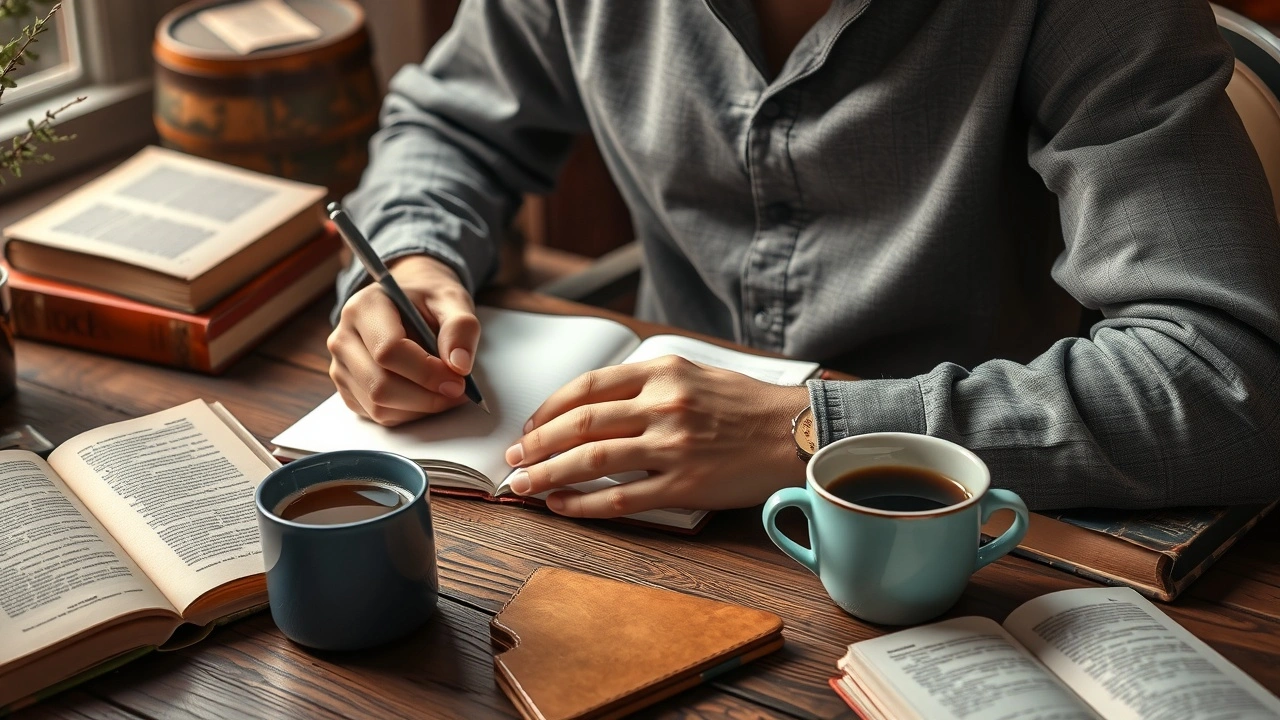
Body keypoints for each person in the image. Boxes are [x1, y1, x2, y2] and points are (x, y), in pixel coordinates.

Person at [326, 0, 1280, 519]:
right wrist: (409, 260)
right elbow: (448, 123)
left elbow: (1227, 383)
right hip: (629, 506)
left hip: (954, 526)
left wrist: (816, 429)